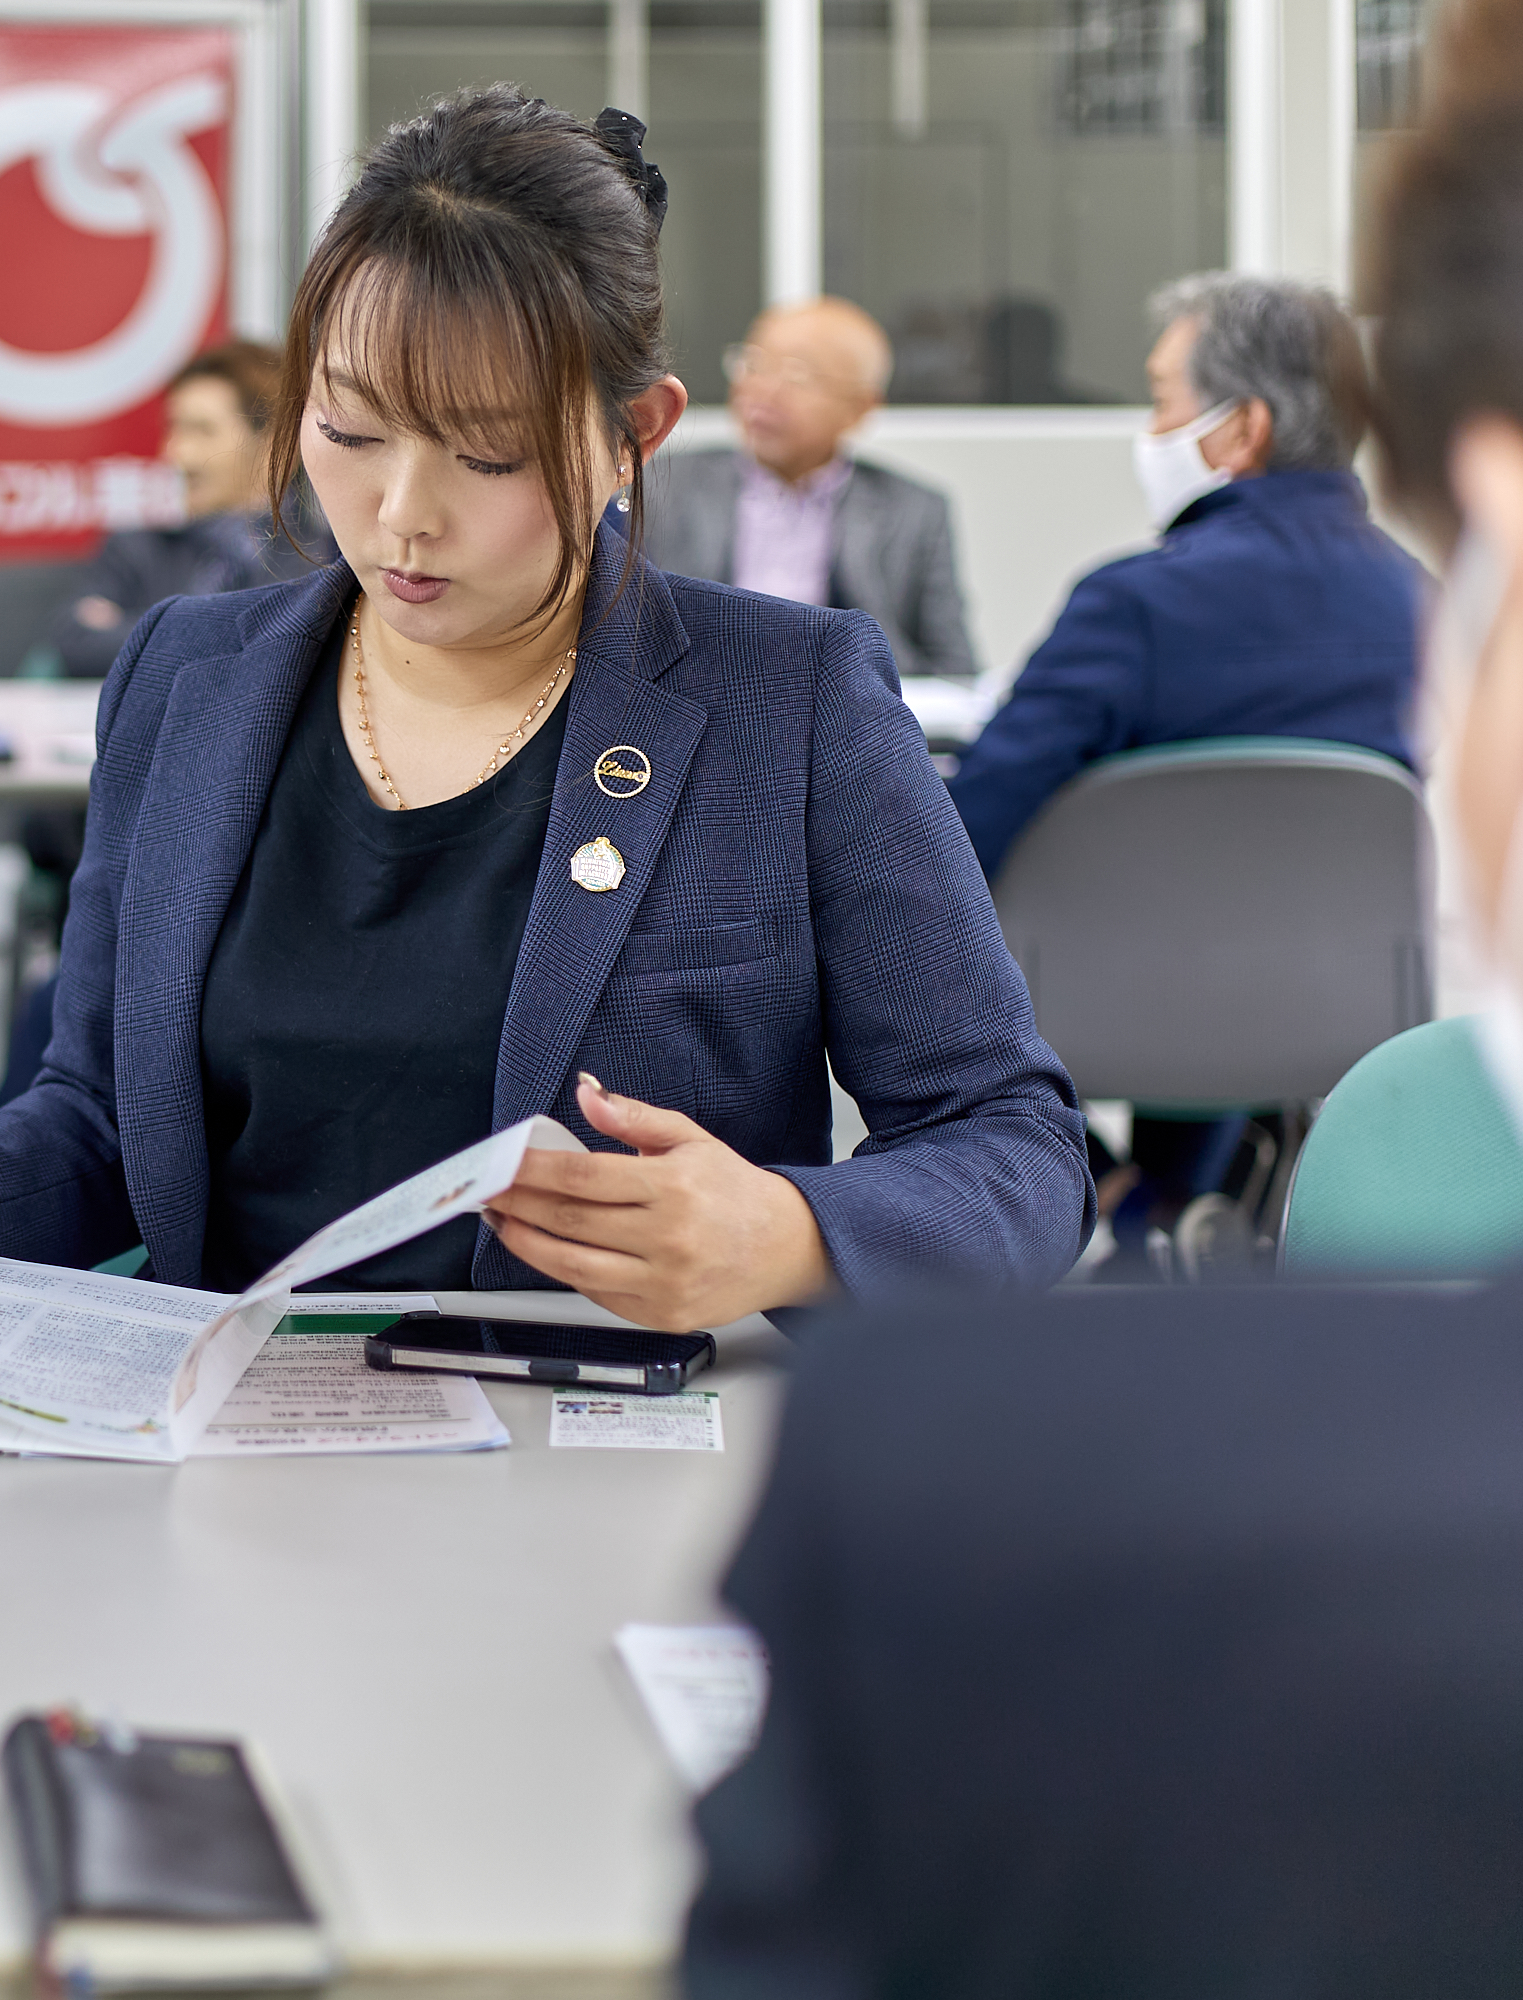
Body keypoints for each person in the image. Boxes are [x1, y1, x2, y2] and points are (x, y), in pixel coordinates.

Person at [682, 22, 1523, 1973]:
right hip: (1347, 1030)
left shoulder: (980, 1518)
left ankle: (1156, 1185)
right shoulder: (1392, 589)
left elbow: (960, 830)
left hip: (1116, 1046)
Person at [0, 91, 1090, 1330]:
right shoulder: (187, 676)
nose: (403, 514)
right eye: (349, 431)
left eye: (487, 453)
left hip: (601, 1472)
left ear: (638, 430)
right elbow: (107, 1126)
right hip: (236, 1461)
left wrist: (787, 1232)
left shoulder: (784, 705)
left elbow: (1017, 1151)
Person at [946, 273, 1421, 880]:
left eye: (1163, 401)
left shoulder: (1133, 607)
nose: (1152, 432)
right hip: (1361, 972)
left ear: (1244, 430)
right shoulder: (1424, 602)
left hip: (1130, 970)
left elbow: (962, 838)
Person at [637, 297, 980, 681]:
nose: (763, 391)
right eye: (753, 364)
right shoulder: (658, 486)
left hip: (848, 716)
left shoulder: (913, 511)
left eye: (798, 375)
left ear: (861, 408)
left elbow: (955, 668)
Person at [45, 342, 335, 679]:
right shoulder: (136, 550)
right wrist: (249, 639)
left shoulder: (325, 558)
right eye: (174, 429)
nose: (177, 454)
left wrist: (148, 630)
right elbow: (77, 644)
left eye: (202, 431)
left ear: (274, 444)